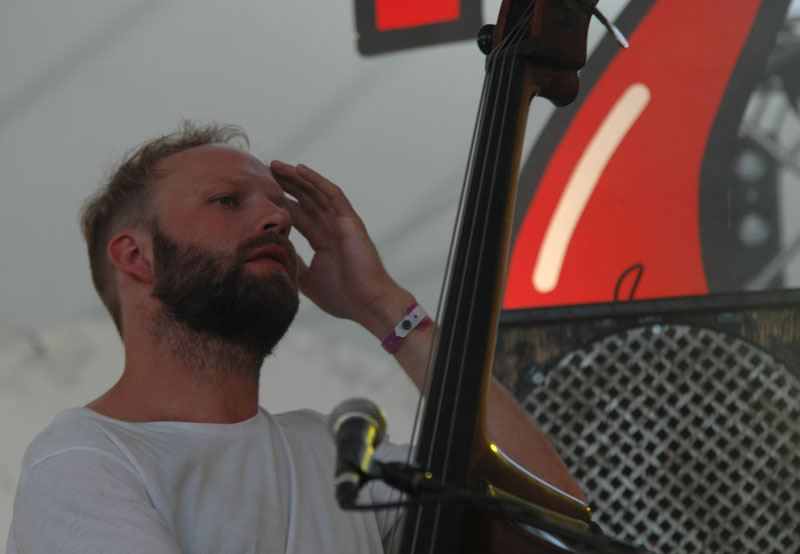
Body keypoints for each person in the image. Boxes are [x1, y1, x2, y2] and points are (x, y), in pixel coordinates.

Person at [6, 121, 584, 553]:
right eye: (228, 201)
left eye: (279, 207)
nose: (277, 220)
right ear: (136, 255)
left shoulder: (335, 455)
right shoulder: (84, 461)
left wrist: (384, 308)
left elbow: (555, 523)